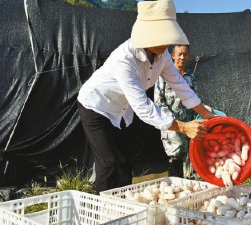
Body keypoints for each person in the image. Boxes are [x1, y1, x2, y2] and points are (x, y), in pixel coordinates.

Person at [77, 0, 215, 193]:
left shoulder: (163, 56)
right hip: (96, 106)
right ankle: (104, 210)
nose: (165, 43)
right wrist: (183, 127)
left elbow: (179, 85)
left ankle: (125, 204)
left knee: (125, 157)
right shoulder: (124, 59)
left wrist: (207, 115)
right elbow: (143, 107)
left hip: (122, 109)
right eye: (161, 37)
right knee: (108, 161)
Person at [154, 44, 200, 180]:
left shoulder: (191, 77)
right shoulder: (163, 75)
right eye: (179, 54)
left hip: (189, 125)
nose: (182, 57)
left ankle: (189, 188)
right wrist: (173, 120)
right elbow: (158, 102)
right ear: (173, 55)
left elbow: (195, 100)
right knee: (176, 156)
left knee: (190, 158)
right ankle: (174, 185)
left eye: (185, 54)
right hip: (171, 125)